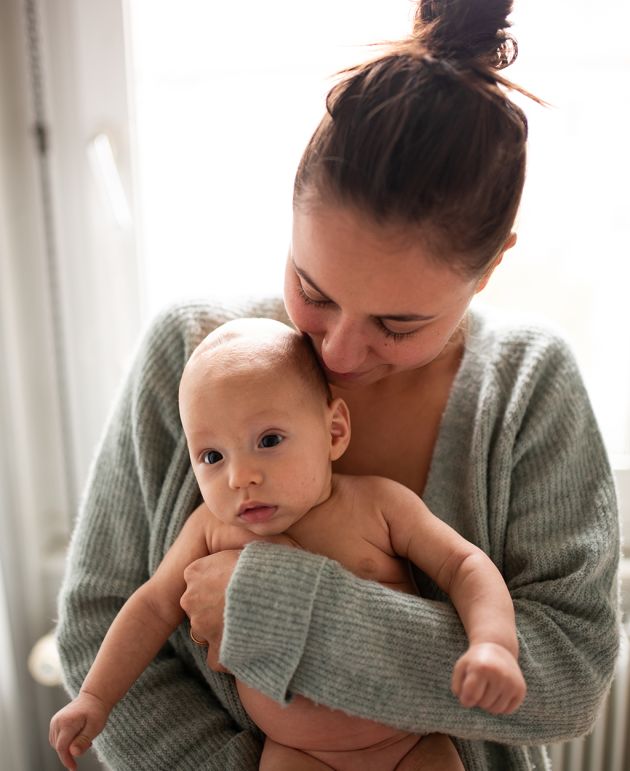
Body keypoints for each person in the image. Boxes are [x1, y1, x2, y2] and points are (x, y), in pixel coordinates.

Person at [54, 0, 621, 769]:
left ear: (490, 268)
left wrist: (287, 613)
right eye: (312, 289)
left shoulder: (529, 388)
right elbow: (100, 622)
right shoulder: (191, 355)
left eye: (397, 322)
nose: (342, 352)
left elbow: (568, 678)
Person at [50, 318, 527, 770]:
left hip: (411, 745)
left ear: (334, 431)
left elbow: (463, 565)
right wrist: (95, 697)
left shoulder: (377, 505)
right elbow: (153, 607)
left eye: (270, 439)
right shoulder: (208, 530)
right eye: (212, 455)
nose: (241, 477)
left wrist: (494, 644)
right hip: (298, 754)